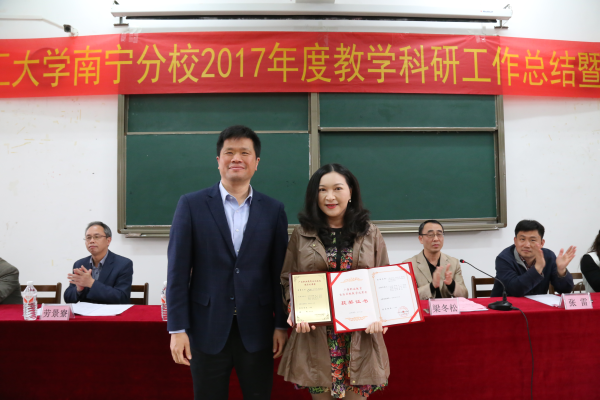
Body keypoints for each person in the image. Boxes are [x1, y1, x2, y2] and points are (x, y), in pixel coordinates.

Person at [167, 125, 289, 400]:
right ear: (218, 160)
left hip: (257, 330)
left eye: (245, 153)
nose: (236, 158)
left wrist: (281, 324)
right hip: (206, 328)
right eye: (229, 152)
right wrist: (177, 328)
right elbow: (177, 271)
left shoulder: (273, 210)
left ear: (256, 162)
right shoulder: (191, 205)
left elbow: (279, 273)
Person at [278, 163, 390, 400]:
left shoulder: (370, 233)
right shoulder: (302, 233)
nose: (330, 197)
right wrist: (295, 310)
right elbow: (288, 279)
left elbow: (383, 281)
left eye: (337, 188)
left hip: (360, 338)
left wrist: (383, 316)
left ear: (350, 192)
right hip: (316, 336)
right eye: (322, 190)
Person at [491, 219, 575, 297]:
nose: (527, 245)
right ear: (515, 241)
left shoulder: (548, 256)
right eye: (522, 239)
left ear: (542, 243)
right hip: (505, 306)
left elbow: (565, 290)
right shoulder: (504, 259)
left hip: (538, 306)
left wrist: (561, 271)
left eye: (532, 240)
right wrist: (537, 268)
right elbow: (515, 290)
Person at [64, 221, 133, 304]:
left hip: (110, 311)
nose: (91, 241)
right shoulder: (80, 264)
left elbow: (122, 297)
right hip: (86, 311)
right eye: (88, 237)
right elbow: (68, 299)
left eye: (96, 237)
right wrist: (78, 289)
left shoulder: (123, 264)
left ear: (108, 240)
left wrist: (91, 283)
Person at [403, 220, 468, 300]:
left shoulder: (453, 263)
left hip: (446, 307)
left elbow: (464, 295)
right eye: (430, 235)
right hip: (423, 308)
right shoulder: (409, 265)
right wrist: (432, 286)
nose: (436, 239)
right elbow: (408, 297)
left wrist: (452, 284)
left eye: (439, 234)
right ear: (421, 239)